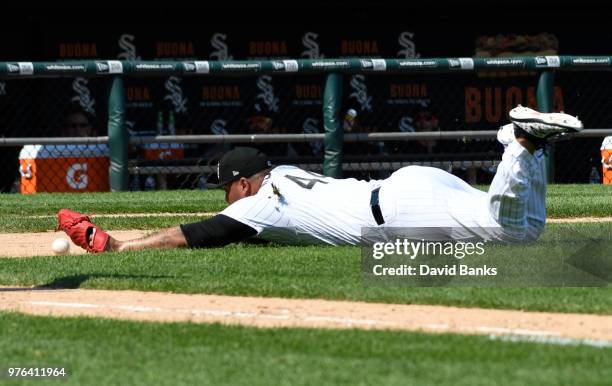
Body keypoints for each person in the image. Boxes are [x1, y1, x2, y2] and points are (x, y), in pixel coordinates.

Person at [57, 105, 583, 253]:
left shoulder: (260, 201)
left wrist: (121, 246)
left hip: (400, 209)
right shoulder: (284, 172)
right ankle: (520, 145)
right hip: (415, 186)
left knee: (513, 235)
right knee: (522, 230)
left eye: (228, 189)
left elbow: (200, 232)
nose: (228, 198)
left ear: (243, 183)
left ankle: (519, 144)